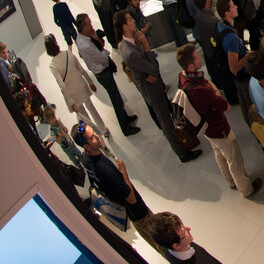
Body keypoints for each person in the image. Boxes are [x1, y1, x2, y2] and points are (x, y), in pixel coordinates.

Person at [176, 44, 261, 198]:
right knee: (234, 158)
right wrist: (214, 90)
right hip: (218, 127)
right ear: (190, 65)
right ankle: (246, 189)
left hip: (207, 128)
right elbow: (225, 105)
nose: (199, 58)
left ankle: (231, 181)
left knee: (219, 153)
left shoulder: (183, 77)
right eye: (196, 57)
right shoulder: (199, 90)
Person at [116, 9, 202, 162]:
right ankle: (182, 153)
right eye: (130, 20)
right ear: (124, 27)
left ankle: (186, 136)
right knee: (166, 123)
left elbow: (150, 69)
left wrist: (150, 71)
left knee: (171, 111)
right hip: (152, 90)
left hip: (154, 85)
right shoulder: (131, 51)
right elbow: (153, 68)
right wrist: (147, 48)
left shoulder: (130, 41)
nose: (133, 21)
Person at [73, 121, 159, 251]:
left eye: (94, 132)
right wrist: (123, 171)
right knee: (161, 242)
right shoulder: (104, 170)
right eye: (92, 138)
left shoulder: (86, 158)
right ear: (86, 146)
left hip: (130, 208)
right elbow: (131, 198)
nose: (97, 136)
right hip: (138, 213)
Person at [74, 13, 139, 136]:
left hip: (105, 70)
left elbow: (101, 45)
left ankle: (125, 117)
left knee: (117, 97)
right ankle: (126, 129)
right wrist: (104, 51)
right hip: (103, 74)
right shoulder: (85, 44)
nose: (92, 27)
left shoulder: (87, 37)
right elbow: (103, 58)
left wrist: (97, 40)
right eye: (89, 25)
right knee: (116, 101)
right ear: (83, 27)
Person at [45, 33, 110, 136]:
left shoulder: (53, 65)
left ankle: (95, 133)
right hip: (81, 86)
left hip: (72, 94)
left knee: (84, 115)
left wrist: (70, 102)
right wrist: (90, 82)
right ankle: (103, 129)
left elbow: (62, 86)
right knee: (91, 108)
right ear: (56, 43)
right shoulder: (68, 53)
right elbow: (81, 70)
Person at [148, 211, 222, 264]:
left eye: (183, 226)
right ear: (176, 245)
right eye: (185, 232)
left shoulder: (168, 245)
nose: (189, 229)